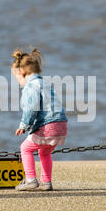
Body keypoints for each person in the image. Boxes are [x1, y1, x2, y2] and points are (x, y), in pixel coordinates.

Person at [11, 47, 68, 191]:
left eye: (16, 77)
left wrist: (24, 125)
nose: (17, 81)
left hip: (47, 126)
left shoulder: (31, 86)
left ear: (22, 72)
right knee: (44, 152)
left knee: (25, 148)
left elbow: (31, 108)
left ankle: (30, 179)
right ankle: (46, 182)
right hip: (61, 125)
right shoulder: (46, 83)